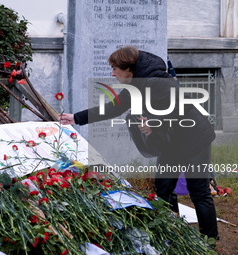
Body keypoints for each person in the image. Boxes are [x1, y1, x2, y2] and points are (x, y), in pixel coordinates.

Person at [60, 45, 218, 239]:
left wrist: (155, 124)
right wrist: (76, 118)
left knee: (199, 191)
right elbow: (113, 108)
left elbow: (176, 108)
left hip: (194, 138)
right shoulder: (135, 85)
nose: (112, 73)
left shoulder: (158, 81)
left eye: (115, 69)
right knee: (164, 188)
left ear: (128, 69)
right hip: (171, 142)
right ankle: (175, 234)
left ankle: (210, 242)